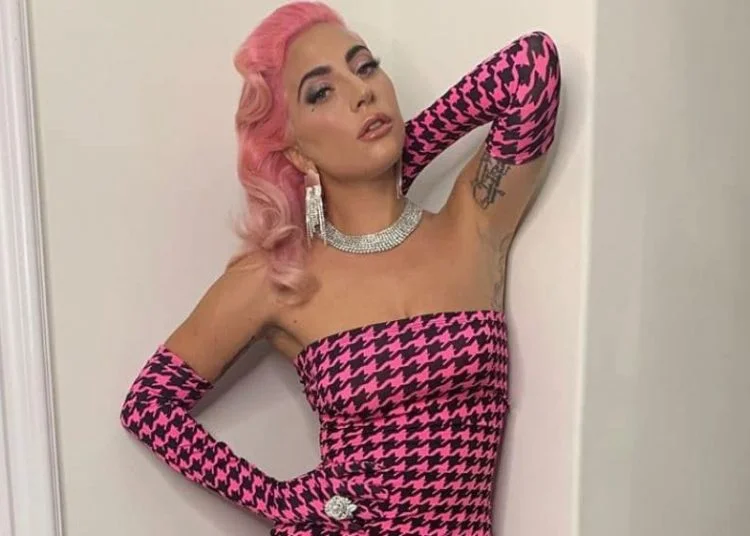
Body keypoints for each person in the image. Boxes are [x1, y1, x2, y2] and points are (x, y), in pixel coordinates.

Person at [119, 1, 561, 534]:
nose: (361, 92)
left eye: (365, 67)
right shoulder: (280, 277)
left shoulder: (473, 226)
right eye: (321, 92)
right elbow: (149, 405)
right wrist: (280, 501)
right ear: (296, 150)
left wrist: (402, 155)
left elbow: (530, 70)